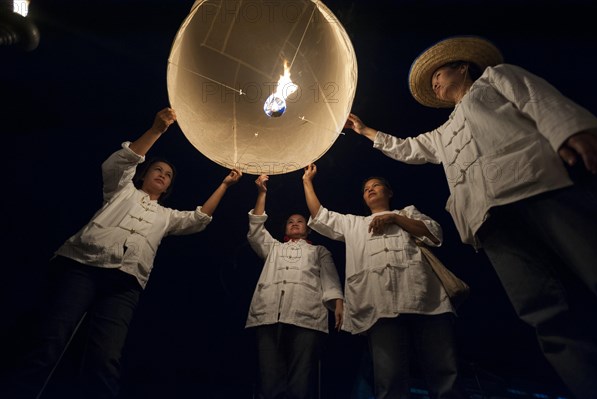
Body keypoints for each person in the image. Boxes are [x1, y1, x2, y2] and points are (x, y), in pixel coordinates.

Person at [344, 35, 597, 399]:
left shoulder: (494, 79)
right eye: (431, 79)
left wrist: (570, 130)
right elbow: (409, 148)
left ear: (463, 67)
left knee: (593, 268)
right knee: (544, 313)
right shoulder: (443, 132)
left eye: (439, 72)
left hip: (538, 187)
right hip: (488, 220)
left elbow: (534, 98)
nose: (434, 81)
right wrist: (365, 130)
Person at [6, 107, 243, 399]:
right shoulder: (122, 190)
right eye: (158, 169)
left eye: (168, 175)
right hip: (84, 266)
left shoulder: (166, 216)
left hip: (125, 283)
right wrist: (156, 129)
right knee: (51, 339)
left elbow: (198, 220)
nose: (163, 175)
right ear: (144, 175)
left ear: (168, 186)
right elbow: (119, 163)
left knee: (105, 356)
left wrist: (225, 184)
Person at [302, 164, 464, 399]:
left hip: (426, 299)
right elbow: (319, 216)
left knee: (445, 373)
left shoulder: (407, 213)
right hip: (380, 305)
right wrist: (307, 181)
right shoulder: (355, 224)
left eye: (375, 185)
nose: (369, 190)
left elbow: (434, 233)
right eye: (365, 189)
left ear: (389, 192)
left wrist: (394, 218)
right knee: (389, 379)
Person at [245, 174, 344, 399]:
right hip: (269, 314)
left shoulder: (319, 251)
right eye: (291, 221)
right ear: (286, 229)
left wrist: (338, 301)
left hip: (305, 316)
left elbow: (330, 278)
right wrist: (262, 193)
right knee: (269, 376)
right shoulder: (274, 248)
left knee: (301, 376)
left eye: (300, 221)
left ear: (308, 229)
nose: (295, 223)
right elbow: (256, 230)